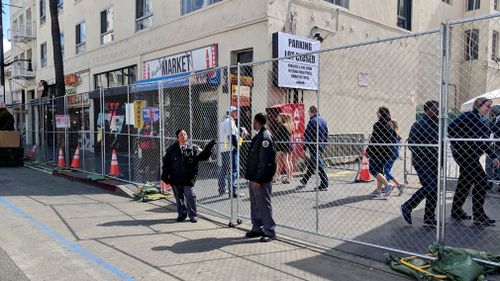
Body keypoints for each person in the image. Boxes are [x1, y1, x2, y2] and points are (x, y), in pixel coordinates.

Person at [448, 97, 500, 226]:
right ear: (478, 105)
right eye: (487, 106)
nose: (489, 109)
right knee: (481, 181)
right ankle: (479, 215)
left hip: (472, 156)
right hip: (465, 156)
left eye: (490, 106)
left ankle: (456, 210)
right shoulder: (468, 116)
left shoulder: (484, 121)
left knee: (464, 182)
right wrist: (462, 145)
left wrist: (493, 156)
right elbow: (451, 129)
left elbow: (484, 143)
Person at [161, 129, 216, 223]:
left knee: (190, 195)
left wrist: (209, 148)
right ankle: (182, 214)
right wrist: (166, 176)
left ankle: (193, 215)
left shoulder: (193, 148)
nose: (183, 136)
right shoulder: (171, 149)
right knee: (179, 197)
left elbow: (202, 156)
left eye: (185, 134)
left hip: (188, 177)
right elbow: (166, 163)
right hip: (176, 178)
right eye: (181, 135)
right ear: (177, 138)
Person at [401, 100, 439, 227]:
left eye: (438, 108)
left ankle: (429, 218)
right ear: (427, 110)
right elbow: (412, 144)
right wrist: (428, 151)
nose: (437, 111)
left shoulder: (438, 123)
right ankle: (407, 206)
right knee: (431, 186)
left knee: (433, 189)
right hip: (422, 162)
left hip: (435, 162)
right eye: (434, 109)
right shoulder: (418, 124)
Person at [244, 113, 277, 242]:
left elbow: (265, 162)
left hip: (260, 179)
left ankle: (270, 231)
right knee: (255, 204)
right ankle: (257, 227)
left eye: (254, 121)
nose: (252, 123)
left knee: (264, 205)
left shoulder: (265, 137)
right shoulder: (259, 136)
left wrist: (258, 179)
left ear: (257, 122)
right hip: (254, 177)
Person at [365, 107, 398, 198]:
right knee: (379, 171)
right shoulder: (390, 125)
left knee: (373, 170)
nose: (376, 113)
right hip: (387, 152)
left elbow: (373, 139)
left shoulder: (377, 125)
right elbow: (394, 139)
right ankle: (378, 191)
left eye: (378, 112)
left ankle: (388, 185)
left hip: (377, 152)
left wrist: (368, 151)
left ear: (381, 113)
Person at [296, 105, 329, 191]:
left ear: (311, 112)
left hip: (313, 146)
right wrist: (323, 146)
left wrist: (304, 148)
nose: (308, 114)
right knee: (313, 164)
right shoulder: (323, 121)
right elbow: (326, 135)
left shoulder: (312, 122)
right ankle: (304, 180)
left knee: (318, 164)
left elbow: (308, 136)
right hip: (320, 145)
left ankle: (325, 183)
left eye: (308, 112)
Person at [218, 106, 248, 198]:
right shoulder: (230, 122)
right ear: (231, 112)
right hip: (230, 149)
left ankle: (222, 189)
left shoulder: (223, 122)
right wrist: (240, 141)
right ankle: (233, 191)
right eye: (235, 111)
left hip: (224, 148)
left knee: (224, 169)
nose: (237, 113)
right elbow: (231, 137)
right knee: (233, 170)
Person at [383, 119, 404, 195]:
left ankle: (399, 185)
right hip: (394, 154)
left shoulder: (392, 133)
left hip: (391, 153)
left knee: (386, 170)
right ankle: (386, 186)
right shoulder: (396, 134)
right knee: (387, 169)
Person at [274, 113, 294, 184]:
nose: (277, 119)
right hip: (288, 145)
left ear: (282, 118)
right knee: (287, 161)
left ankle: (282, 177)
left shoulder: (282, 126)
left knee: (281, 162)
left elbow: (277, 136)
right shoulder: (289, 125)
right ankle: (289, 176)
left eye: (279, 117)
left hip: (281, 145)